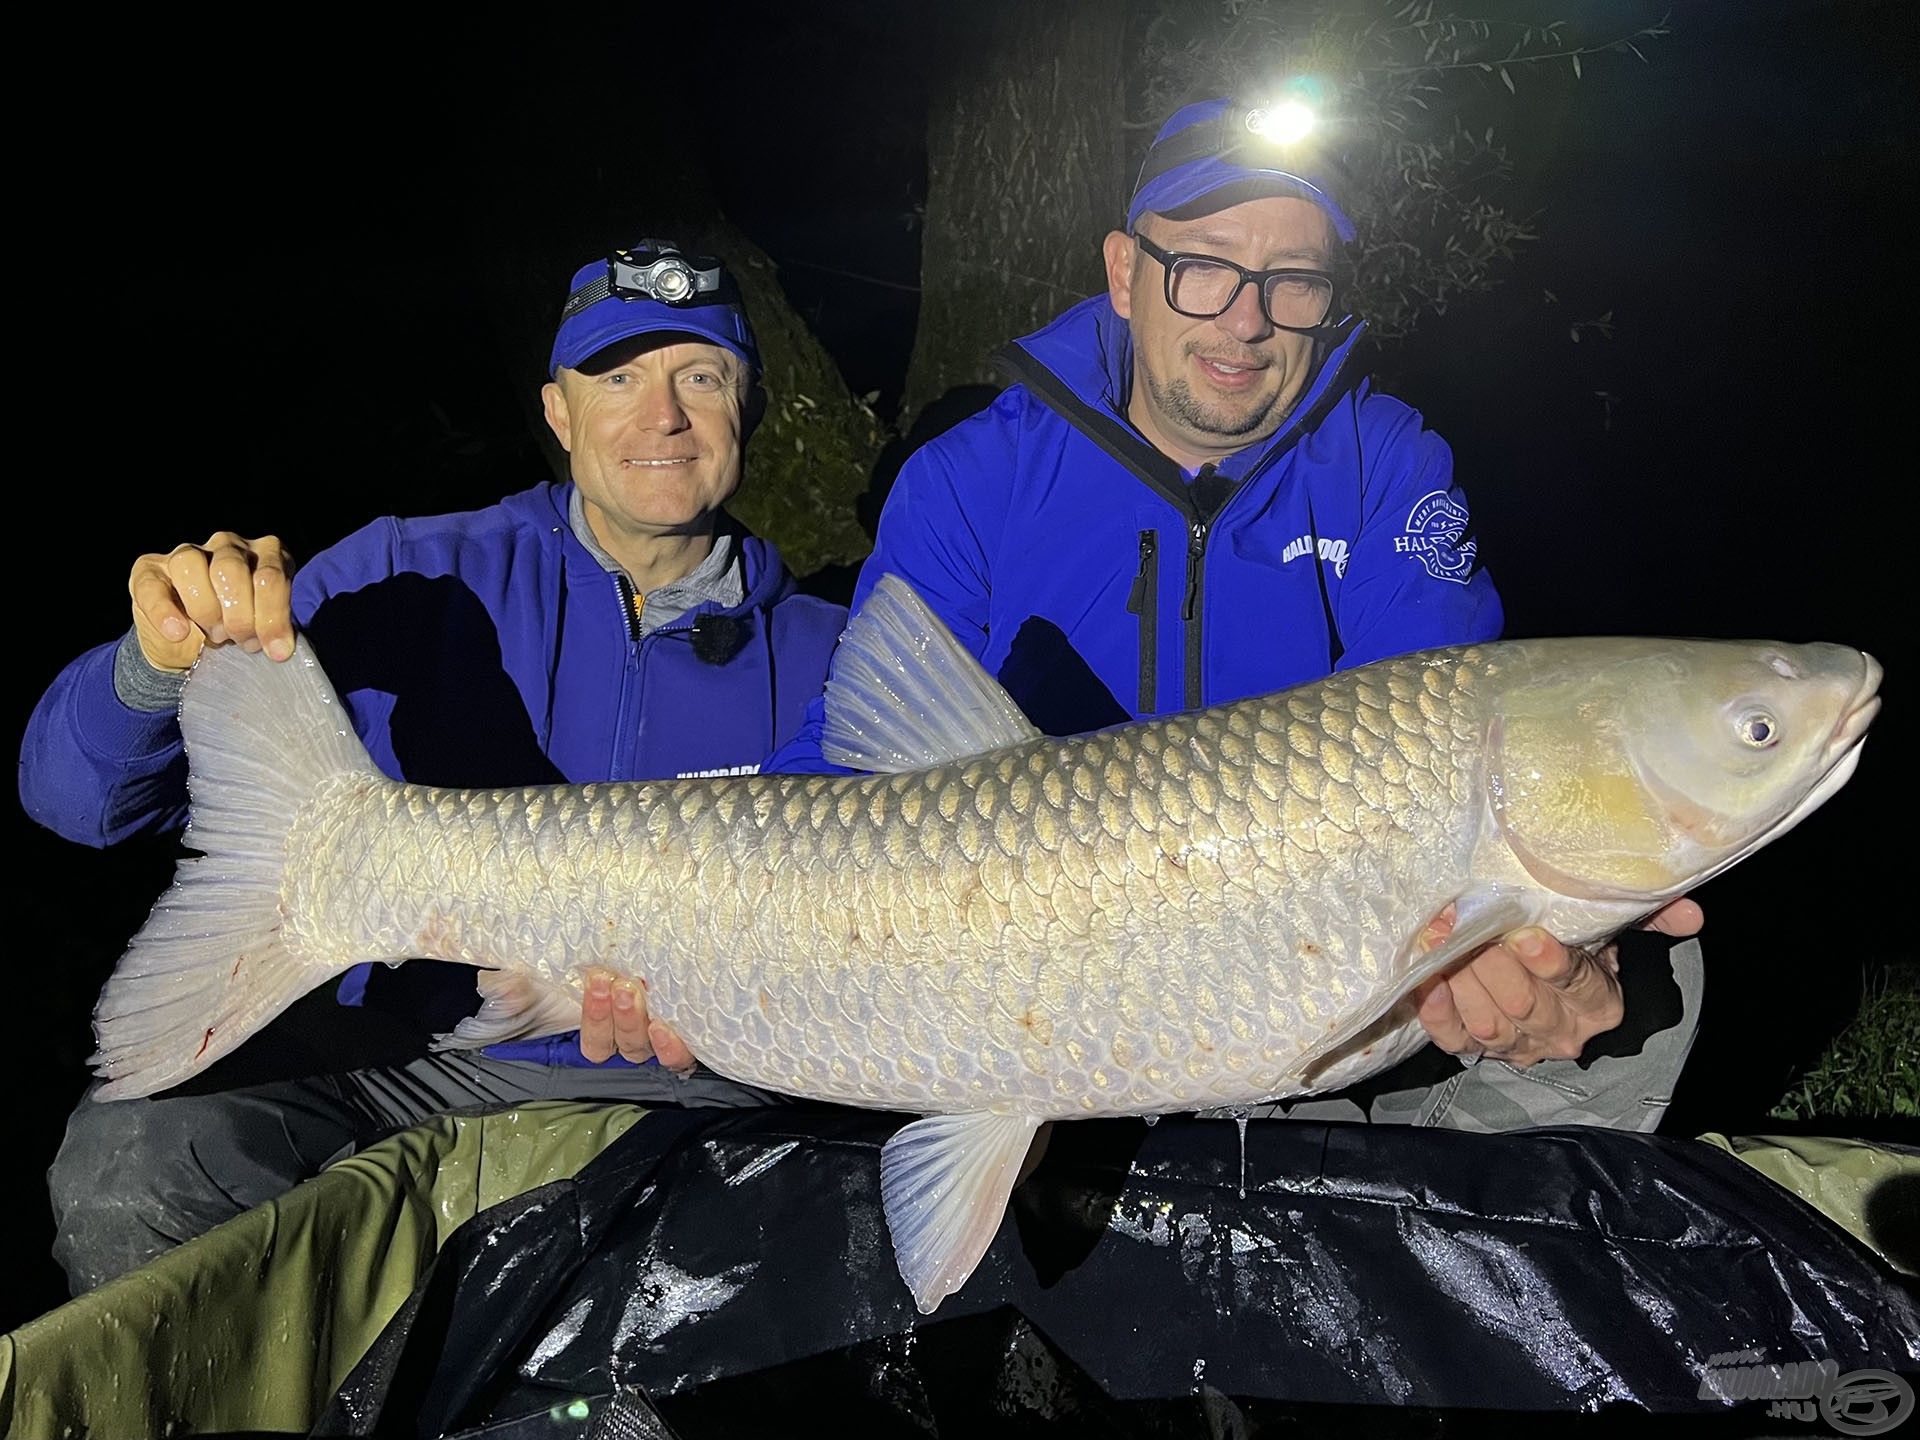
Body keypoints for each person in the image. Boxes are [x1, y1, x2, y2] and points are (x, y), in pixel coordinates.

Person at [762, 96, 1705, 1130]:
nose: (1247, 320)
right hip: (1011, 975)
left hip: (1298, 973)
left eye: (1292, 281)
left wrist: (1555, 951)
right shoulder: (971, 477)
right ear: (1126, 273)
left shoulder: (1383, 465)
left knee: (1652, 969)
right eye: (1203, 267)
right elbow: (845, 773)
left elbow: (1449, 758)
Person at [22, 240, 847, 1294]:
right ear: (558, 412)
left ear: (750, 408)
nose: (664, 417)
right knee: (132, 1174)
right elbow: (76, 802)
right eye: (619, 377)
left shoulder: (839, 650)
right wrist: (154, 666)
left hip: (691, 1089)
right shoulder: (409, 570)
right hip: (401, 1057)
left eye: (701, 376)